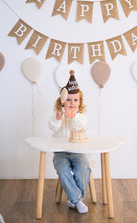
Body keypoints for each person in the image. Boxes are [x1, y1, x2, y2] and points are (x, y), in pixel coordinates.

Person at [49, 70, 91, 214]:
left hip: (78, 152)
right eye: (68, 99)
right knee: (63, 170)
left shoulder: (80, 116)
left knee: (83, 169)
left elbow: (79, 124)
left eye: (75, 100)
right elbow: (52, 126)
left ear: (80, 103)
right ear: (61, 100)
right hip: (60, 153)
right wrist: (57, 118)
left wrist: (73, 116)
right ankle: (77, 200)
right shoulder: (58, 114)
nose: (72, 103)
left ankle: (74, 199)